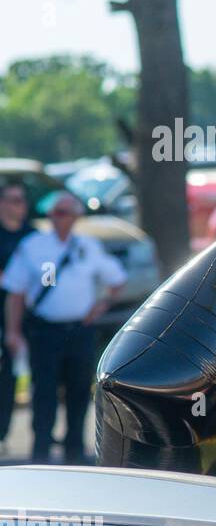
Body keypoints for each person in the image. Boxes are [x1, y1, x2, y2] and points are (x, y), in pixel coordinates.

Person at [3, 191, 126, 465]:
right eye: (58, 213)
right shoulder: (33, 246)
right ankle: (41, 455)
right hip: (44, 332)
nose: (63, 219)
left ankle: (74, 455)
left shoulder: (88, 247)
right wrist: (12, 331)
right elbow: (15, 293)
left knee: (79, 391)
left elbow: (117, 279)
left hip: (79, 331)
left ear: (76, 217)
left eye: (68, 213)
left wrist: (100, 306)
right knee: (44, 392)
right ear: (50, 216)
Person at [0, 182, 35, 454]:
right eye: (12, 200)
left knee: (13, 374)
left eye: (21, 200)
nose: (17, 205)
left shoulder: (34, 237)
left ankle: (4, 433)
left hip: (25, 316)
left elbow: (49, 274)